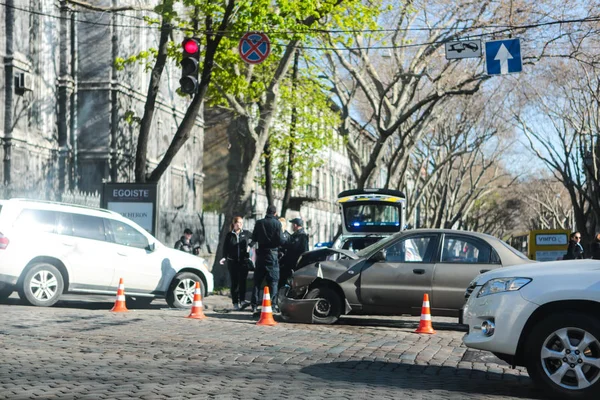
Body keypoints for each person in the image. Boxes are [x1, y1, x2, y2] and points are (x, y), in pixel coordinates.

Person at [250, 205, 284, 316]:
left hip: (261, 255)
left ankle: (254, 305)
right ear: (275, 213)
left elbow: (254, 238)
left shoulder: (259, 223)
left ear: (267, 212)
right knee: (273, 281)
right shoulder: (277, 224)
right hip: (272, 255)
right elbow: (281, 240)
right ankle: (272, 306)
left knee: (257, 282)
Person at [219, 216, 252, 311]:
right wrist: (224, 258)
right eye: (238, 223)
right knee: (235, 283)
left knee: (243, 282)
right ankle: (235, 302)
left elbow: (255, 238)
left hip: (243, 261)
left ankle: (242, 300)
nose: (240, 225)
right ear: (234, 224)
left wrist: (250, 245)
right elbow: (225, 248)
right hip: (232, 262)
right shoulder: (229, 235)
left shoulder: (246, 233)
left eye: (241, 223)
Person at [279, 217, 309, 288]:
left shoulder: (301, 236)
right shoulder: (296, 235)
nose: (292, 226)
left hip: (294, 265)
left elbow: (298, 250)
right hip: (290, 264)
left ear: (295, 225)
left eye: (292, 224)